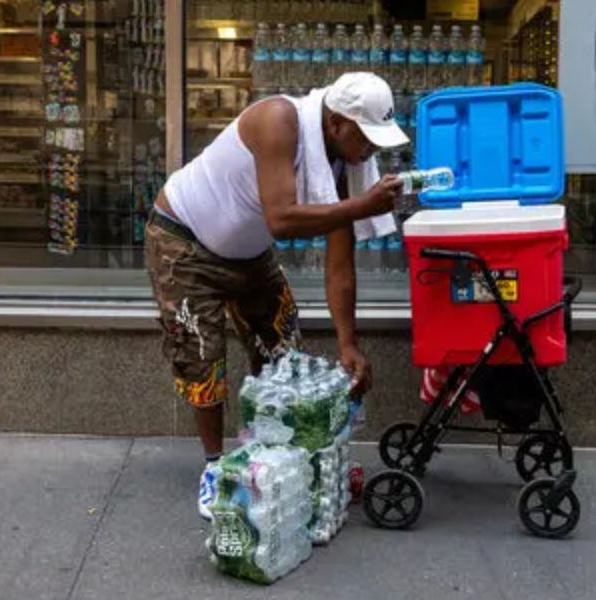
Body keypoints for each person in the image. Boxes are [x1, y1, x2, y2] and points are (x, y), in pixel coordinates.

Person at [145, 72, 408, 519]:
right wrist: (363, 206)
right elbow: (283, 219)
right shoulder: (278, 119)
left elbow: (339, 261)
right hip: (183, 242)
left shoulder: (349, 162)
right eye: (367, 137)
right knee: (202, 360)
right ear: (338, 124)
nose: (373, 150)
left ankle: (275, 458)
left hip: (246, 253)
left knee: (284, 354)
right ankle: (214, 469)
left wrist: (348, 343)